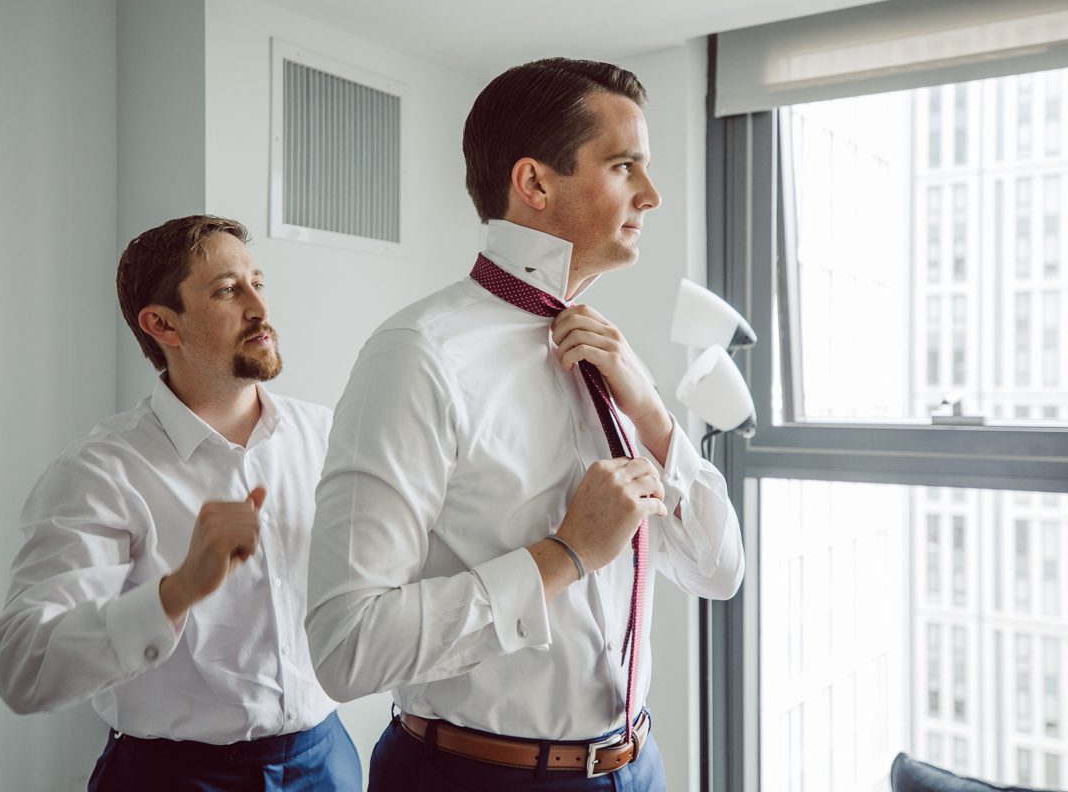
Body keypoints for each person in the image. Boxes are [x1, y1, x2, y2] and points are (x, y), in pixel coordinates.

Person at [306, 58, 746, 791]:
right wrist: (565, 554)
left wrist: (652, 413)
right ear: (535, 184)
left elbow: (719, 571)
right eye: (624, 165)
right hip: (473, 777)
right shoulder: (419, 355)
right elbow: (346, 647)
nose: (652, 194)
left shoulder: (610, 356)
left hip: (637, 766)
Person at [0, 215, 361, 791]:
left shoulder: (327, 436)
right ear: (162, 324)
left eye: (258, 283)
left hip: (325, 762)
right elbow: (25, 667)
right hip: (172, 776)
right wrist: (179, 589)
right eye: (228, 290)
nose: (260, 308)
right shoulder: (102, 471)